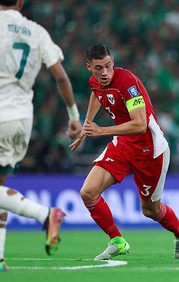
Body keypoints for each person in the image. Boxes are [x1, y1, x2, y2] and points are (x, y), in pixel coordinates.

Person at [69, 44, 179, 261]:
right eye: (99, 68)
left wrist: (101, 130)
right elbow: (96, 94)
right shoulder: (95, 82)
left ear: (113, 62)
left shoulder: (127, 83)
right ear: (89, 67)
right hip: (123, 146)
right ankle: (117, 241)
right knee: (88, 192)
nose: (105, 73)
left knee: (150, 210)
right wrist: (86, 124)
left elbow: (140, 125)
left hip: (150, 151)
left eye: (108, 66)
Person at [0, 0, 82, 272]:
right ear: (20, 2)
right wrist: (73, 117)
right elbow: (61, 77)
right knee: (0, 188)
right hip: (22, 118)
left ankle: (44, 214)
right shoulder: (36, 31)